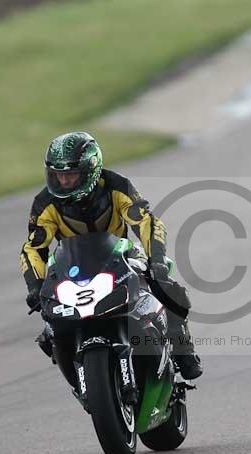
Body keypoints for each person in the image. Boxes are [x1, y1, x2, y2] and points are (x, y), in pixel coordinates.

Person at [20, 131, 203, 379]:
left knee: (166, 286)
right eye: (58, 175)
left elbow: (146, 223)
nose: (64, 182)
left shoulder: (118, 186)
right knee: (49, 329)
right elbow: (34, 247)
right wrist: (35, 285)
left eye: (71, 175)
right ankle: (78, 375)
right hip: (73, 268)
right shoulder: (45, 204)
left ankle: (183, 349)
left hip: (121, 257)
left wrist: (156, 261)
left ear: (90, 170)